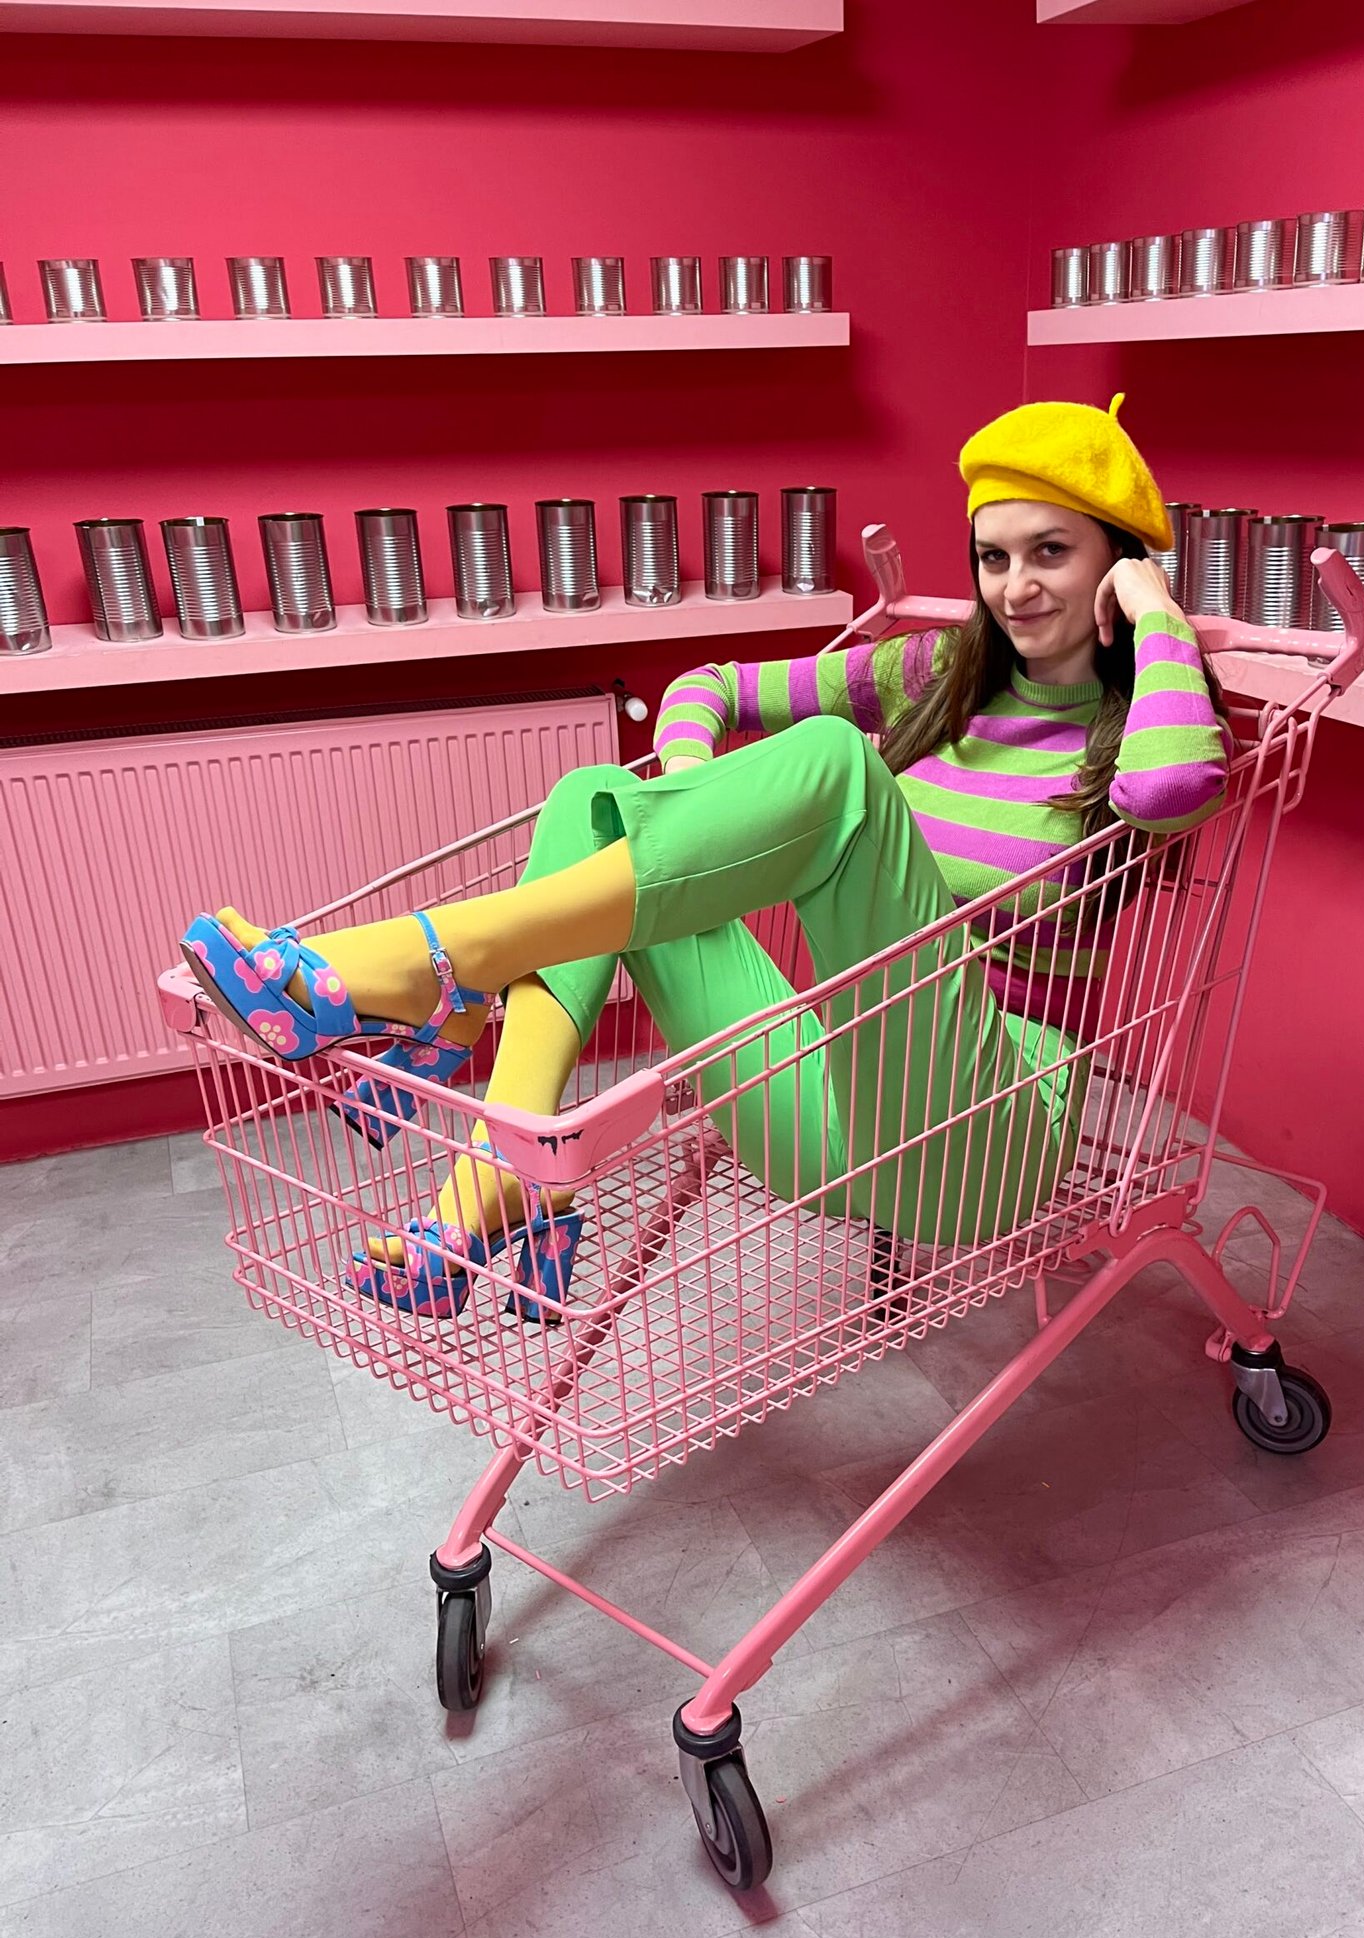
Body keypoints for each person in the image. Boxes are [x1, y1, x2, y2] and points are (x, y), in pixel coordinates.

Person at [180, 396, 1230, 1318]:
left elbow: (1169, 790)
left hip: (981, 1143)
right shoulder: (936, 671)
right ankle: (502, 1180)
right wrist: (682, 797)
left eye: (1053, 553)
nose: (1014, 589)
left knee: (832, 765)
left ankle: (410, 974)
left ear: (1116, 556)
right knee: (597, 798)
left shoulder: (1145, 715)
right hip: (833, 1104)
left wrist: (1151, 612)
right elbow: (705, 689)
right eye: (993, 558)